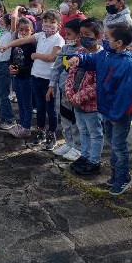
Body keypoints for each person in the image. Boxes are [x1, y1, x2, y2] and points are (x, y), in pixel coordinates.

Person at [69, 21, 132, 196]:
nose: (104, 41)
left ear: (119, 43)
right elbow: (92, 60)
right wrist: (79, 58)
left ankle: (123, 178)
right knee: (113, 144)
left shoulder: (128, 64)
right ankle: (116, 176)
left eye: (107, 38)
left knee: (118, 147)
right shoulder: (106, 55)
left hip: (118, 114)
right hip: (106, 110)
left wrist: (116, 115)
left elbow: (124, 94)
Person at [0, 10, 64, 150]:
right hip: (36, 76)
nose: (48, 24)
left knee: (50, 109)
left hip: (49, 80)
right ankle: (40, 132)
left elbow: (52, 57)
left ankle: (51, 134)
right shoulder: (40, 35)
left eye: (52, 22)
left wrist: (36, 55)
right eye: (46, 21)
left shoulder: (58, 39)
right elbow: (22, 40)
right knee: (40, 107)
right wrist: (7, 46)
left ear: (59, 25)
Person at [66, 18, 103, 175]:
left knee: (95, 133)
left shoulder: (102, 57)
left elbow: (98, 84)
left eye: (87, 34)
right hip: (76, 102)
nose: (83, 38)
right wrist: (69, 93)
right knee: (83, 130)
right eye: (81, 34)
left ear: (99, 36)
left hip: (91, 105)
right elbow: (70, 74)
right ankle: (85, 155)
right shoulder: (79, 53)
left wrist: (79, 96)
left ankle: (94, 161)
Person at [49, 18, 83, 160]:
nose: (66, 38)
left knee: (76, 121)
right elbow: (56, 68)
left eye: (69, 34)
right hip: (63, 92)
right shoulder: (65, 50)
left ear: (79, 35)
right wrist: (51, 85)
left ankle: (78, 147)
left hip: (77, 94)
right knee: (65, 118)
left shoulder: (84, 52)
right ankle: (68, 143)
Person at [7, 18, 37, 138]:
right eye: (21, 30)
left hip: (27, 78)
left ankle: (26, 127)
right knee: (20, 102)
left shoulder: (31, 46)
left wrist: (20, 70)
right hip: (17, 77)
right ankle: (22, 124)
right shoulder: (16, 43)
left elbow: (32, 64)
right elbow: (11, 57)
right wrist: (10, 66)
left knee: (26, 104)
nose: (23, 32)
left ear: (32, 31)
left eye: (27, 30)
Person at [0, 13, 17, 129]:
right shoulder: (3, 35)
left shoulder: (11, 34)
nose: (0, 23)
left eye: (2, 22)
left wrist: (16, 9)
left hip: (4, 65)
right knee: (0, 93)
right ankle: (2, 117)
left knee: (3, 94)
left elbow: (14, 18)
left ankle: (10, 119)